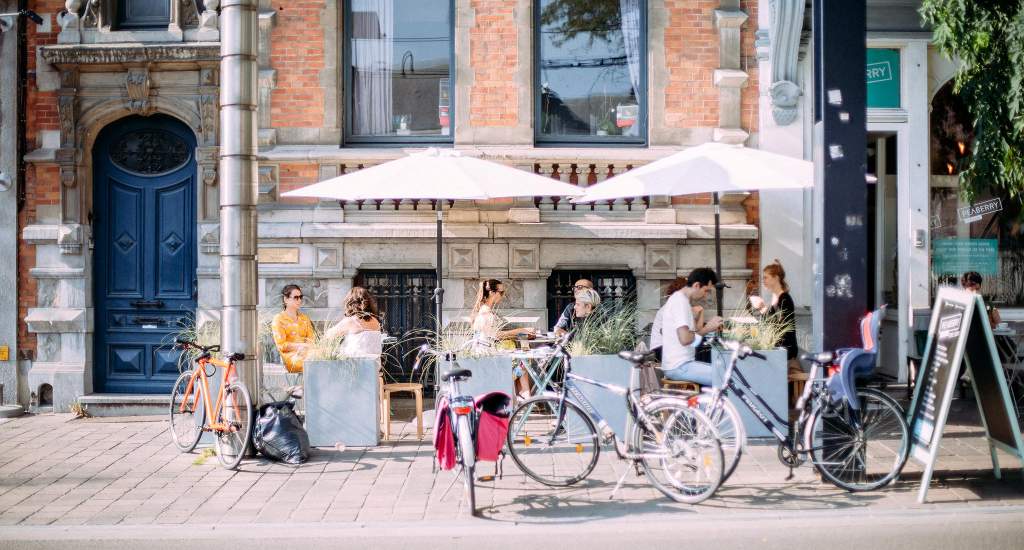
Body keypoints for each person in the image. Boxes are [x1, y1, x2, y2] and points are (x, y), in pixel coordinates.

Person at [658, 268, 724, 385]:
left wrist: (706, 329)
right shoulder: (680, 301)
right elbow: (685, 339)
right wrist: (707, 328)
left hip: (681, 364)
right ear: (697, 285)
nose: (705, 296)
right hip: (679, 366)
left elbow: (690, 342)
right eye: (706, 291)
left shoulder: (682, 300)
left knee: (725, 372)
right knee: (726, 376)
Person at [470, 279, 537, 396]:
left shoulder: (483, 310)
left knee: (520, 361)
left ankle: (524, 395)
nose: (503, 295)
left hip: (488, 355)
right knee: (523, 363)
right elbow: (496, 335)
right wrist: (520, 331)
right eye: (501, 292)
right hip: (489, 359)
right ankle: (525, 395)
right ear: (492, 293)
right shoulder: (486, 313)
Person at [748, 260, 801, 377]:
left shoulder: (785, 299)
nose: (763, 281)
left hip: (785, 349)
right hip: (777, 348)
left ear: (776, 278)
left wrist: (762, 309)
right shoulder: (775, 298)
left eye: (766, 278)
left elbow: (780, 327)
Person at [324, 287, 383, 356]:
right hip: (375, 364)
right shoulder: (374, 320)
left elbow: (328, 335)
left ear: (350, 303)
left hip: (355, 364)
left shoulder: (352, 320)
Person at [650, 276, 705, 350]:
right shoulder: (673, 306)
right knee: (700, 346)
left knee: (702, 344)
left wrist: (701, 313)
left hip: (673, 347)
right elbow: (690, 335)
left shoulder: (683, 306)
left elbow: (696, 333)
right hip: (661, 348)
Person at [271, 284, 315, 373]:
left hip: (308, 353)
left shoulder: (304, 318)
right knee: (311, 363)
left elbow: (311, 340)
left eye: (300, 297)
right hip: (291, 357)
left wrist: (307, 349)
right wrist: (301, 346)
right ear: (286, 299)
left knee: (325, 359)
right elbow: (281, 345)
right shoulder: (279, 319)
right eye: (296, 297)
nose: (299, 300)